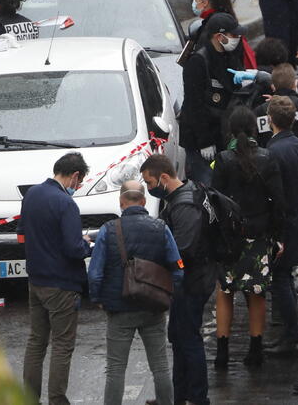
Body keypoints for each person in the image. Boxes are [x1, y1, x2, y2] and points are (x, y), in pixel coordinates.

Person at [88, 180, 183, 405]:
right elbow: (177, 268)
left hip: (119, 307)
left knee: (115, 369)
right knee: (159, 366)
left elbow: (95, 273)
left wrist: (97, 298)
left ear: (121, 203)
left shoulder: (108, 230)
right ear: (143, 201)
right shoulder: (161, 228)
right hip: (153, 307)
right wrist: (170, 295)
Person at [210, 106, 285, 369]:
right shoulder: (268, 158)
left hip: (230, 239)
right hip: (259, 235)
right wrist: (277, 236)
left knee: (225, 291)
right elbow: (278, 202)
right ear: (255, 129)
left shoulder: (222, 159)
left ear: (230, 130)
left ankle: (222, 351)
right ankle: (255, 350)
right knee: (256, 293)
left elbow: (215, 202)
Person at [140, 154, 215, 405]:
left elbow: (184, 248)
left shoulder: (184, 205)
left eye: (150, 183)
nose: (149, 189)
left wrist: (158, 259)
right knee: (179, 336)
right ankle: (179, 395)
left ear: (163, 177)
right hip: (190, 279)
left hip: (192, 280)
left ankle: (197, 397)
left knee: (189, 338)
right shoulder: (186, 193)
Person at [20, 152, 93, 405]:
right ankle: (57, 400)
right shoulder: (66, 204)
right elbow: (73, 248)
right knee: (62, 345)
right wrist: (88, 245)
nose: (78, 187)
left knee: (36, 342)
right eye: (80, 182)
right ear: (74, 175)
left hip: (36, 281)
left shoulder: (32, 195)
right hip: (62, 285)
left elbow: (23, 233)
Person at [262, 96, 298, 357]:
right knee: (287, 279)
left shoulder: (272, 151)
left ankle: (291, 337)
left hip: (282, 225)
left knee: (281, 280)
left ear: (270, 120)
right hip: (297, 220)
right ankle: (290, 335)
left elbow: (274, 195)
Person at [179, 12, 246, 185]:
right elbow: (194, 106)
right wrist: (204, 141)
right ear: (219, 37)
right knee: (207, 185)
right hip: (202, 136)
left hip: (222, 132)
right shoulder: (198, 62)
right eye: (233, 35)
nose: (238, 38)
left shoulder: (229, 55)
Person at [185, 0, 256, 69]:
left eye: (195, 0)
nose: (194, 3)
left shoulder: (214, 26)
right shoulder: (224, 19)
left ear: (205, 3)